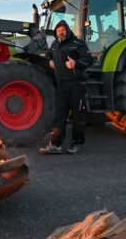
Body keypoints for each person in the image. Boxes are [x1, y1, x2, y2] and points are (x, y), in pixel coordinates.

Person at [39, 20, 94, 155]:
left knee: (78, 116)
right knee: (60, 116)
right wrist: (49, 60)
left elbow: (88, 59)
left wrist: (76, 63)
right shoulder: (54, 44)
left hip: (77, 85)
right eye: (58, 31)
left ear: (68, 31)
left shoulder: (78, 43)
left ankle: (75, 143)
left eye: (63, 30)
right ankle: (56, 144)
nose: (60, 32)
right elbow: (48, 55)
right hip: (61, 85)